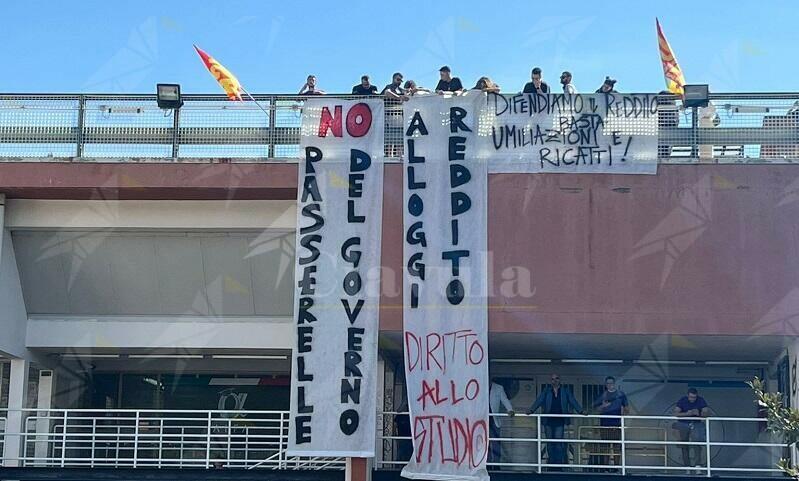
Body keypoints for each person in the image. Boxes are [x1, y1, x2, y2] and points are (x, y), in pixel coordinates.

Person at [528, 374, 585, 468]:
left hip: (560, 420)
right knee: (550, 443)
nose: (554, 381)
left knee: (558, 443)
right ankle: (551, 464)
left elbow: (572, 401)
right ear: (550, 381)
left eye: (556, 378)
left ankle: (558, 464)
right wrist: (531, 410)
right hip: (548, 420)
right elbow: (539, 400)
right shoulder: (546, 391)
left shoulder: (565, 391)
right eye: (552, 379)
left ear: (560, 380)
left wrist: (581, 411)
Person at [591, 376, 628, 469]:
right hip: (604, 424)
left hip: (617, 424)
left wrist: (623, 414)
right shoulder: (603, 395)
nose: (609, 385)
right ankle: (606, 468)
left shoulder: (621, 394)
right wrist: (603, 406)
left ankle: (616, 468)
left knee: (616, 447)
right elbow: (594, 408)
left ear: (614, 384)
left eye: (611, 383)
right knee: (605, 447)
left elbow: (627, 408)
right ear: (605, 385)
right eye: (608, 383)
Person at [673, 388, 710, 469]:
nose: (692, 399)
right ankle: (687, 467)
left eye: (694, 397)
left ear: (697, 396)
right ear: (687, 395)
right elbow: (676, 413)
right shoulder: (682, 400)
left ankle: (698, 466)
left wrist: (699, 413)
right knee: (684, 445)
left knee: (697, 444)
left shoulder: (701, 400)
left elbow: (706, 413)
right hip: (683, 424)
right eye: (691, 397)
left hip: (696, 423)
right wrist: (687, 413)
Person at [489, 378, 515, 466]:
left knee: (496, 444)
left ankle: (496, 464)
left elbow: (505, 400)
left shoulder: (498, 388)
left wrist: (510, 410)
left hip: (494, 421)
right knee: (483, 445)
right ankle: (486, 465)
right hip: (481, 421)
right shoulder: (479, 386)